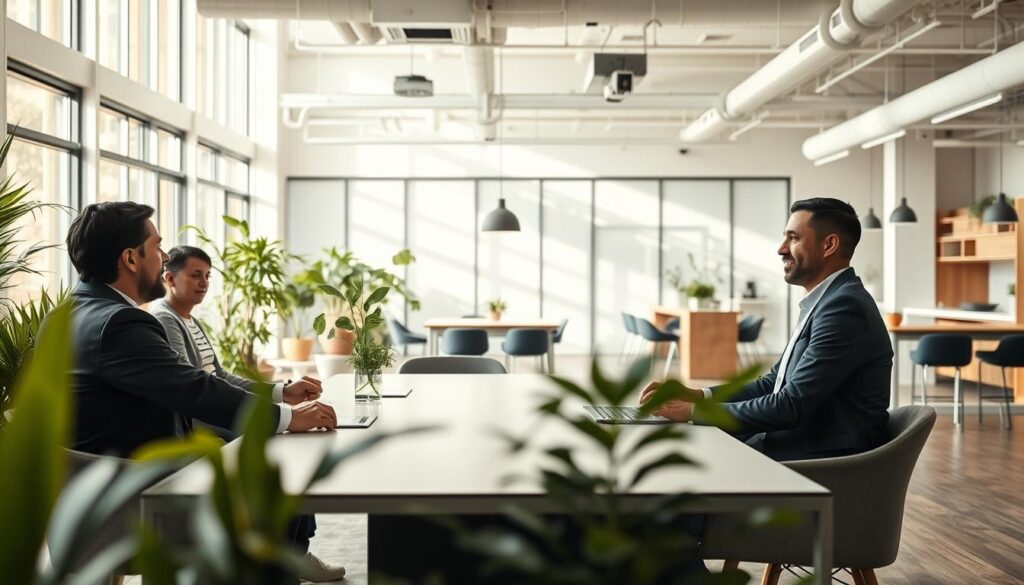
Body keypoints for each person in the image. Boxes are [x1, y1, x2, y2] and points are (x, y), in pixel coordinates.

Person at [66, 201, 344, 581]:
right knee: (273, 477)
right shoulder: (119, 323)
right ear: (131, 259)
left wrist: (279, 399)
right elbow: (192, 387)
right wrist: (287, 418)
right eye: (158, 247)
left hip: (95, 489)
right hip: (140, 492)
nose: (164, 258)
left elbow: (199, 379)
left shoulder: (70, 312)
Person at [642, 197, 892, 461]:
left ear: (829, 244)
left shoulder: (844, 308)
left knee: (682, 456)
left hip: (820, 460)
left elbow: (790, 405)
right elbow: (773, 384)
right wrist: (698, 396)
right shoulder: (826, 301)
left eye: (793, 238)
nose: (781, 249)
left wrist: (693, 412)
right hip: (794, 441)